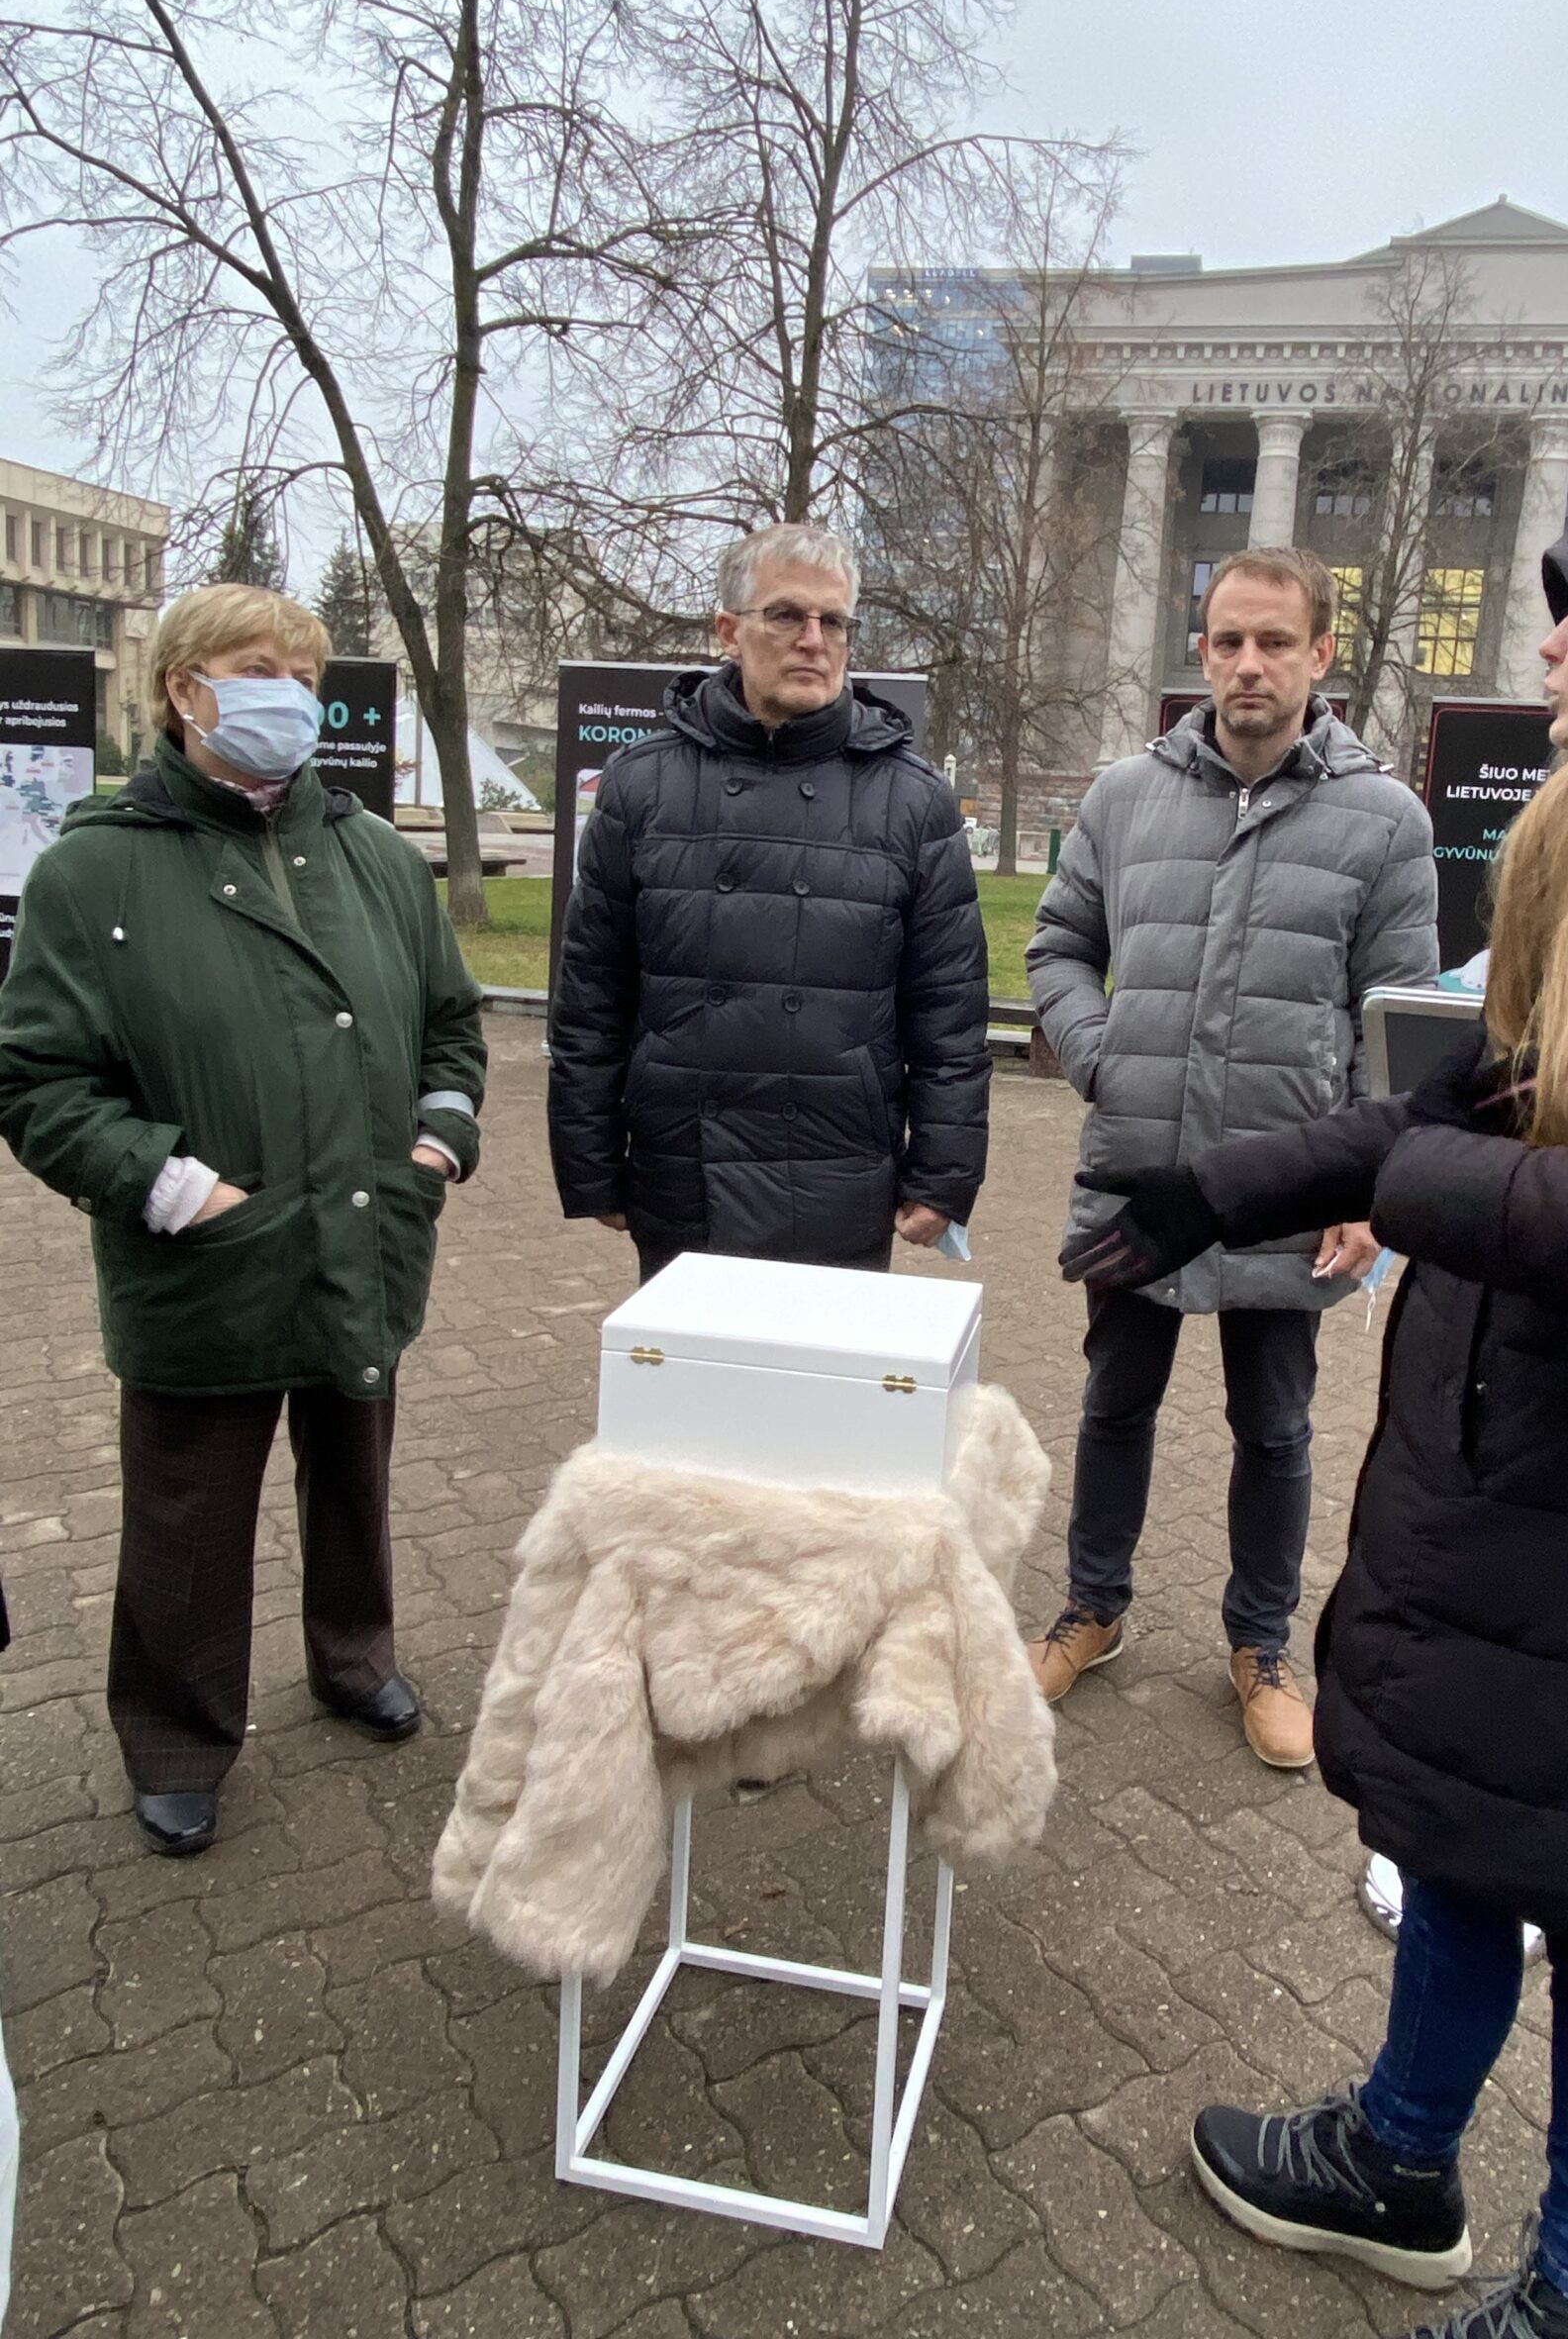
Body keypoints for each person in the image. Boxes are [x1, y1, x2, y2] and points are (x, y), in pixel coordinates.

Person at [1060, 454, 1568, 2338]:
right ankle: (1399, 2160)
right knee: (1454, 1818)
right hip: (1529, 1463)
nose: (1553, 646)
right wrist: (1227, 1189)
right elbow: (1488, 1102)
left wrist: (1422, 1196)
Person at [0, 584, 485, 1857]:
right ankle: (176, 1735)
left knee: (356, 1482)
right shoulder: (93, 869)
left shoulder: (377, 858)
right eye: (257, 668)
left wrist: (438, 1136)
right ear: (185, 688)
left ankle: (354, 1655)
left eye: (303, 674)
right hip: (205, 1254)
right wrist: (169, 1184)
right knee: (188, 1517)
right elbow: (37, 1079)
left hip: (363, 1231)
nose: (289, 694)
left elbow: (450, 1022)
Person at [1025, 546, 1436, 1767]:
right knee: (1115, 1403)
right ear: (1200, 651)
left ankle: (1262, 1643)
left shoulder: (1387, 822)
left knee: (1276, 1428)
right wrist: (1103, 1055)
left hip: (1288, 1188)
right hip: (1141, 1177)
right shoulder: (1122, 798)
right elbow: (1057, 947)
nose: (1248, 663)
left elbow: (1397, 1022)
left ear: (1321, 655)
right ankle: (1094, 1605)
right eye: (1227, 640)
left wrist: (1371, 1192)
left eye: (1274, 641)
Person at [547, 523, 988, 1273]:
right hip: (683, 1171)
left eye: (833, 621)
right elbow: (592, 994)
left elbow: (948, 1010)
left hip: (841, 1172)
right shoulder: (641, 784)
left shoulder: (913, 799)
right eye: (786, 615)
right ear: (729, 631)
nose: (813, 640)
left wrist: (943, 1172)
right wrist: (589, 1161)